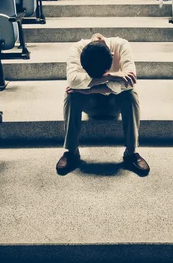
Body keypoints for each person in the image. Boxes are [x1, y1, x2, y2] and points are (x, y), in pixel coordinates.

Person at [56, 33, 150, 176]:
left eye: (104, 73)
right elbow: (73, 81)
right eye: (96, 76)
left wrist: (91, 88)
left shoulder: (121, 45)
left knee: (130, 95)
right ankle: (72, 152)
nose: (102, 76)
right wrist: (112, 76)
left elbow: (130, 82)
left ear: (112, 56)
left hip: (114, 103)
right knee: (71, 94)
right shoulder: (77, 49)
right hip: (90, 104)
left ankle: (131, 153)